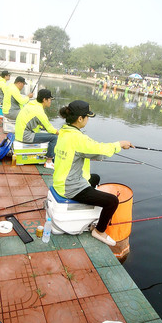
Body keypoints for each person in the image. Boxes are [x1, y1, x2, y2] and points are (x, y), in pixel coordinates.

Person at [53, 100, 134, 246]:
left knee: (95, 177)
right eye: (87, 117)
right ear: (80, 118)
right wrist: (120, 144)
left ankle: (90, 207)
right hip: (70, 187)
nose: (88, 120)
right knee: (112, 201)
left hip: (60, 181)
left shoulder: (64, 131)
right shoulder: (78, 138)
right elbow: (99, 150)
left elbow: (90, 150)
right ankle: (99, 230)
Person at [15, 89, 58, 169]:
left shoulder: (32, 103)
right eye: (49, 100)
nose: (50, 102)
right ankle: (49, 161)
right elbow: (51, 129)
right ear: (44, 100)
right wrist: (60, 132)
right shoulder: (40, 112)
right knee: (54, 137)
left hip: (19, 133)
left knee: (43, 130)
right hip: (25, 136)